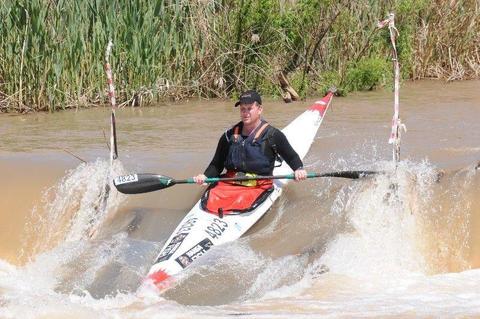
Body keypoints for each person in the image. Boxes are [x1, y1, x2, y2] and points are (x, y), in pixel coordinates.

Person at [193, 90, 307, 213]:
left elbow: (291, 157)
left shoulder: (274, 135)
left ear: (259, 109)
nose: (245, 113)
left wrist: (299, 169)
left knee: (241, 200)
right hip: (230, 183)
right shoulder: (228, 135)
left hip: (258, 185)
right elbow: (217, 163)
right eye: (242, 109)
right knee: (210, 202)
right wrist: (205, 176)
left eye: (249, 108)